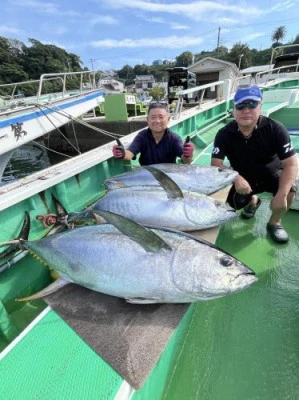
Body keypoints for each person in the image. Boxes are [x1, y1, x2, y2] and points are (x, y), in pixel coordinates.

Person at [211, 85, 298, 243]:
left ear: (260, 106)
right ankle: (253, 201)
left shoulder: (275, 129)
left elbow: (291, 165)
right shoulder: (224, 134)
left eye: (252, 104)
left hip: (272, 174)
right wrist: (235, 177)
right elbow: (215, 165)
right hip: (242, 177)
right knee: (229, 206)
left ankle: (275, 222)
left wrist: (282, 194)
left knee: (290, 191)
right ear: (234, 110)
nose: (246, 110)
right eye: (240, 106)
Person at [112, 102, 194, 165]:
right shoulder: (142, 136)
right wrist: (122, 153)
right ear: (147, 120)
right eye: (153, 117)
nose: (157, 121)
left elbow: (186, 161)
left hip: (167, 177)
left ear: (168, 119)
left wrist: (188, 155)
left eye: (161, 117)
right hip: (147, 176)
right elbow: (130, 154)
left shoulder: (174, 138)